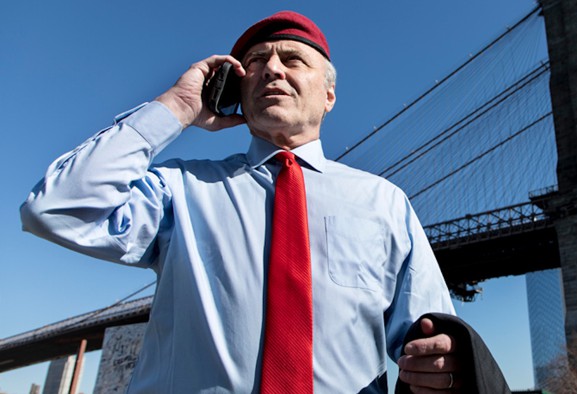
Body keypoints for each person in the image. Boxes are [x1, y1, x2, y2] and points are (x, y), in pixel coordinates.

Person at [21, 11, 464, 393]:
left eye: (292, 59)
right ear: (235, 88)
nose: (272, 69)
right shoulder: (180, 189)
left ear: (329, 95)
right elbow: (55, 208)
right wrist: (174, 108)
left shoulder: (385, 203)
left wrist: (441, 362)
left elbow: (433, 336)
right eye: (255, 62)